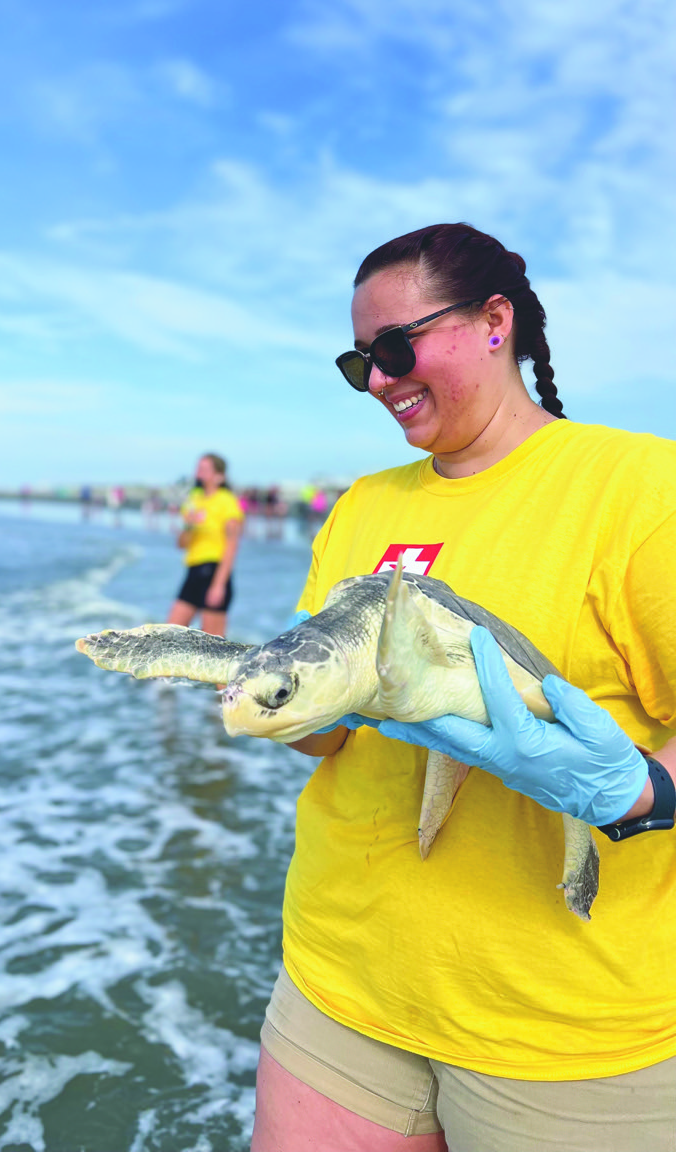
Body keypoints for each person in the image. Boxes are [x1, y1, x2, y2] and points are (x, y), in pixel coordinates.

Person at [250, 223, 676, 1152]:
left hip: (568, 1029)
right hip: (338, 982)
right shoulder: (364, 505)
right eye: (358, 360)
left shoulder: (641, 488)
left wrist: (644, 790)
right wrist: (300, 708)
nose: (379, 380)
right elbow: (334, 739)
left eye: (396, 348)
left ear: (496, 321)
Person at [167, 453, 244, 637]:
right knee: (169, 636)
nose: (198, 473)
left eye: (204, 469)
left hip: (215, 572)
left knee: (213, 646)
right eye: (198, 468)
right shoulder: (194, 499)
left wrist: (218, 585)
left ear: (219, 476)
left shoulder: (227, 501)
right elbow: (181, 544)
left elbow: (232, 546)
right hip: (193, 572)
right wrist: (188, 526)